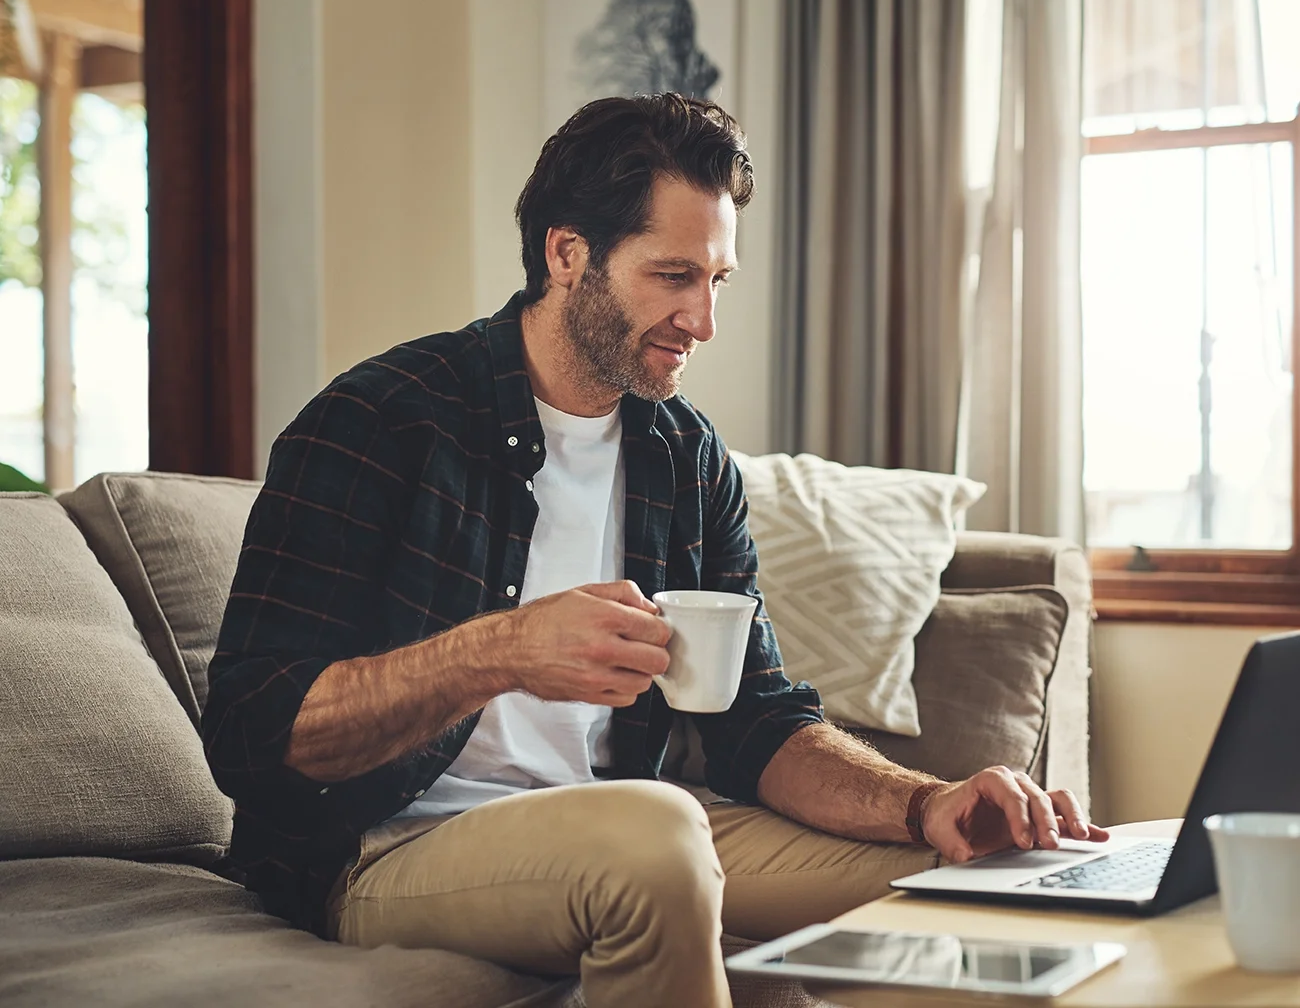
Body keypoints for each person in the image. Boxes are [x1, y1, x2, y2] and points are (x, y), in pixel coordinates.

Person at [202, 94, 1106, 1008]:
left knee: (975, 883)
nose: (703, 320)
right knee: (655, 833)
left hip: (640, 825)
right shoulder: (380, 420)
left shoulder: (685, 456)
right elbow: (252, 732)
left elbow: (759, 722)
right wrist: (501, 649)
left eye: (718, 280)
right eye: (674, 275)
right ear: (567, 255)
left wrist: (928, 802)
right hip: (388, 847)